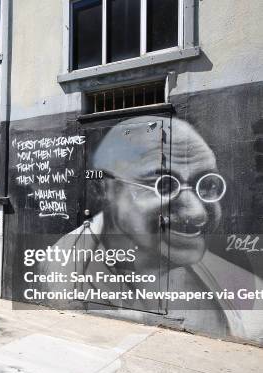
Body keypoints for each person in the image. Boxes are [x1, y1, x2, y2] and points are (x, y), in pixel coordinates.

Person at [39, 116, 263, 342]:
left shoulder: (241, 290)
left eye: (206, 184)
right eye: (163, 185)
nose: (196, 213)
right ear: (103, 189)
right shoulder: (63, 264)